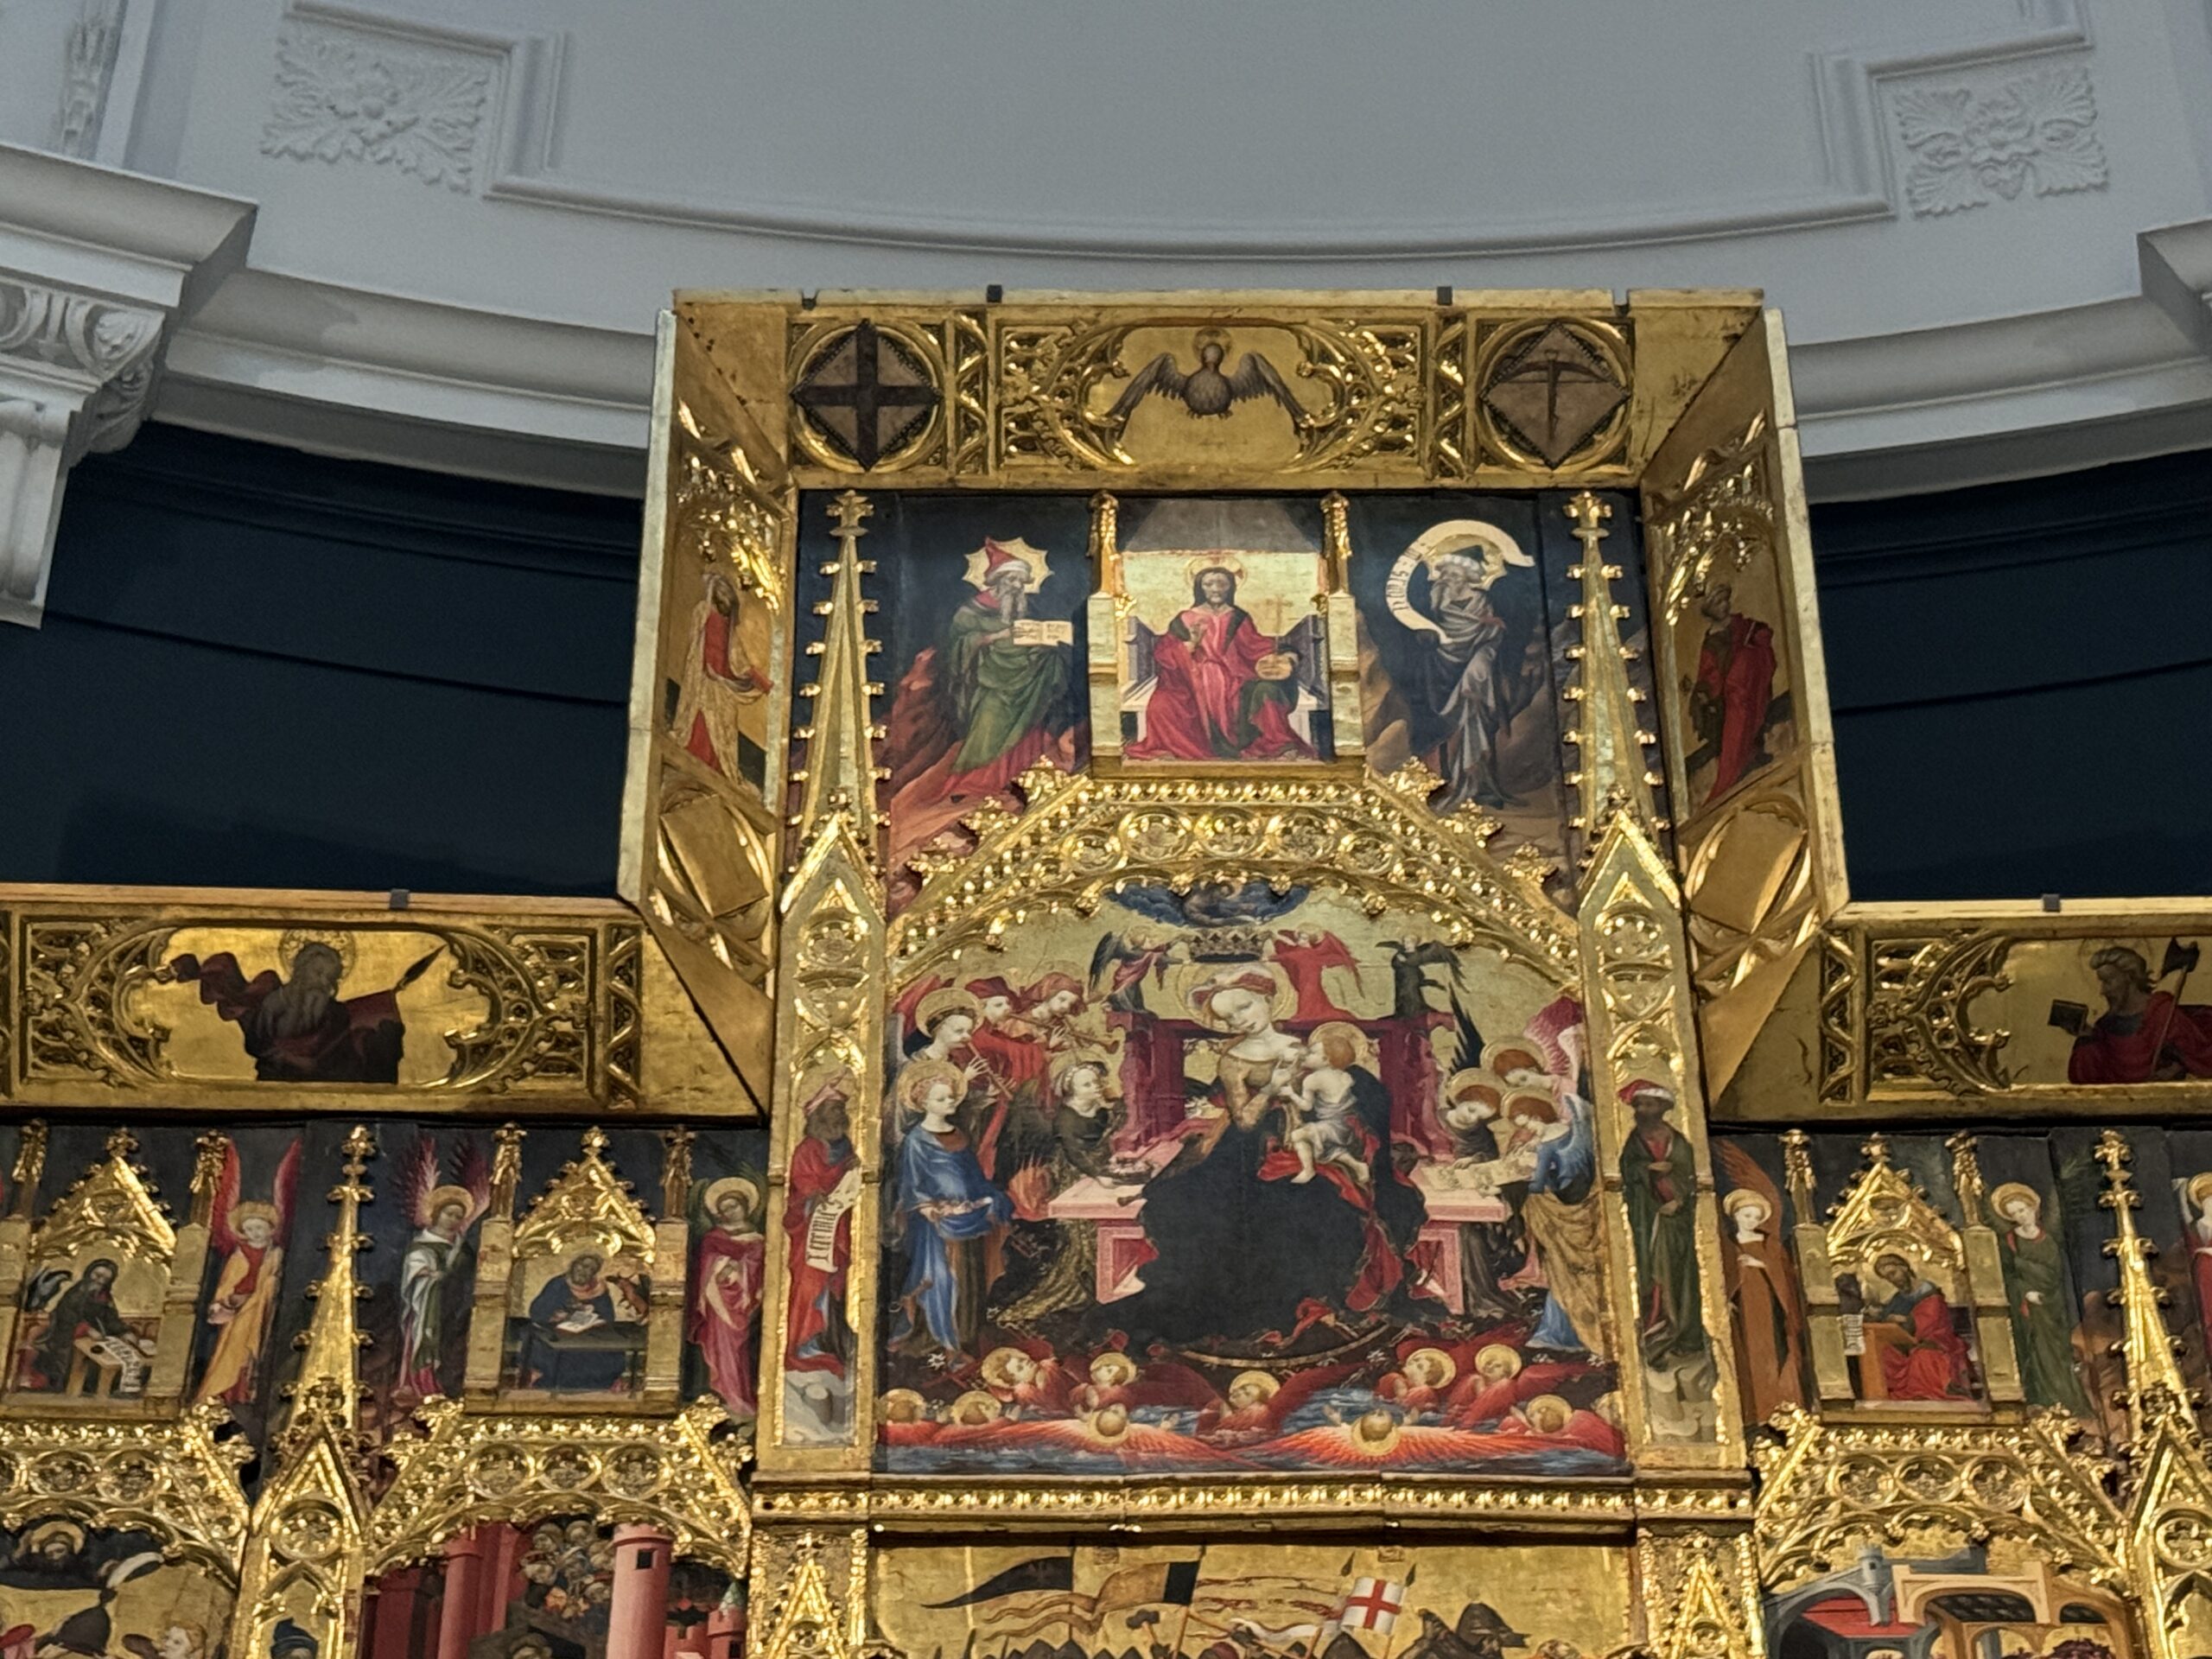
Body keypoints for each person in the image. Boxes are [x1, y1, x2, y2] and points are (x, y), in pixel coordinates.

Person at [882, 537, 1075, 868]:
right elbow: (960, 647)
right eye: (1012, 580)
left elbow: (1032, 638)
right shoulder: (970, 612)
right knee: (986, 732)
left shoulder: (1023, 609)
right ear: (998, 581)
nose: (1017, 587)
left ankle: (1011, 783)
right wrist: (998, 638)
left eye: (1021, 581)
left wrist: (1046, 646)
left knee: (1027, 736)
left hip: (1027, 689)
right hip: (988, 689)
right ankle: (973, 784)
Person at [164, 938, 440, 1084]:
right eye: (317, 973)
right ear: (300, 970)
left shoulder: (334, 1012)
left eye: (329, 977)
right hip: (277, 1080)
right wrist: (293, 1060)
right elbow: (258, 1043)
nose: (322, 982)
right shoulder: (275, 1002)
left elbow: (341, 1048)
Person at [1126, 564, 1313, 761]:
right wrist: (1190, 644)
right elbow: (1164, 653)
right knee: (1161, 704)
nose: (1215, 589)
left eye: (1222, 584)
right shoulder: (1184, 619)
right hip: (1190, 678)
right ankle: (1171, 747)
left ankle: (1277, 745)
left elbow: (1256, 646)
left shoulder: (1238, 618)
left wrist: (1288, 655)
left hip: (1235, 678)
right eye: (1209, 584)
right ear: (1200, 588)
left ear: (1231, 588)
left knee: (1267, 691)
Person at [891, 1059, 1013, 1358]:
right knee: (943, 1279)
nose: (950, 1102)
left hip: (970, 1218)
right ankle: (941, 1338)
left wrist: (987, 1197)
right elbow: (911, 1184)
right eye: (942, 1098)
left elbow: (973, 1176)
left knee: (970, 1277)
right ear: (924, 1103)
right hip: (936, 1226)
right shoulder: (916, 1141)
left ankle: (967, 1334)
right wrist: (930, 1209)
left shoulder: (959, 1134)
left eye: (951, 1097)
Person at [1618, 1083, 1706, 1368]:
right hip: (1647, 1219)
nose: (1642, 1110)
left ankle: (1683, 1334)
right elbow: (1626, 1171)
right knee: (1651, 1273)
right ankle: (1656, 1334)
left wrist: (1678, 1200)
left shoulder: (1677, 1141)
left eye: (1649, 1105)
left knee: (1680, 1276)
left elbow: (1691, 1176)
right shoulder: (1634, 1141)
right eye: (1639, 1105)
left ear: (1663, 1108)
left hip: (1677, 1221)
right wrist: (1646, 1169)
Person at [1520, 1082, 1608, 1360]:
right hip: (1585, 1207)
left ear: (1537, 1117)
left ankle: (1559, 1333)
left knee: (1561, 1269)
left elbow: (1537, 1186)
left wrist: (1524, 1176)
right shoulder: (1574, 1133)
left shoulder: (1546, 1146)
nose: (1529, 1131)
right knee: (1582, 1272)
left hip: (1562, 1213)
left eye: (1528, 1124)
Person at [1988, 1183, 2090, 1416]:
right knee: (2033, 1354)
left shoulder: (2048, 1241)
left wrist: (2040, 1290)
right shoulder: (2009, 1242)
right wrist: (2024, 1291)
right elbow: (2006, 1276)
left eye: (2022, 1210)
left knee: (2055, 1354)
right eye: (2014, 1214)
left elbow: (2054, 1277)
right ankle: (2040, 1401)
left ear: (2033, 1208)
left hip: (2050, 1308)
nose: (2020, 1216)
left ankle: (2066, 1402)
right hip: (2025, 1309)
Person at [784, 1080, 860, 1386]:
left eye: (841, 1109)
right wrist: (838, 1176)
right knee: (810, 1284)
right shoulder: (808, 1148)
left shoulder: (846, 1147)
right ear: (817, 1115)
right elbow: (805, 1185)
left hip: (837, 1228)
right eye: (832, 1109)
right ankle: (804, 1341)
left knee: (836, 1284)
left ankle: (831, 1339)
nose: (839, 1115)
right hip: (809, 1233)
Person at [671, 569, 771, 781]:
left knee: (725, 722)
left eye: (728, 597)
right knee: (701, 717)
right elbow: (698, 634)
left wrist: (761, 681)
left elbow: (739, 661)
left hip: (722, 685)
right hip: (703, 680)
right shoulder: (704, 611)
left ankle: (719, 766)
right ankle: (697, 756)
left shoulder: (728, 629)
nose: (725, 600)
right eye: (722, 594)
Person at [1718, 1185, 1805, 1421]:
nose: (1752, 1221)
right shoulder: (1726, 1244)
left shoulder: (1770, 1244)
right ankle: (1754, 1412)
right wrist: (1725, 1300)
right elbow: (1720, 1275)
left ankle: (1779, 1407)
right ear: (1736, 1215)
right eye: (1747, 1215)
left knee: (1773, 1354)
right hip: (1743, 1309)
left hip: (1769, 1307)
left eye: (1756, 1218)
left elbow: (1785, 1275)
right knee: (1746, 1358)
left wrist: (1761, 1264)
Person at [1687, 581, 1777, 802]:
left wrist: (1752, 651)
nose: (1724, 606)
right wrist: (1703, 691)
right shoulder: (1711, 642)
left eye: (1725, 601)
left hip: (1749, 685)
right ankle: (1733, 771)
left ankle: (1752, 755)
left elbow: (1761, 634)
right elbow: (1709, 673)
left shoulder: (1743, 625)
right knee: (1734, 726)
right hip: (1729, 697)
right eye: (1718, 603)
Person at [2066, 945, 2212, 1084]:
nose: (2103, 991)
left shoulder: (2161, 1014)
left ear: (2129, 977)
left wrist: (2175, 1069)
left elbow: (2198, 1056)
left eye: (2108, 982)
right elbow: (2090, 1082)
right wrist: (2086, 1038)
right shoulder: (2104, 1026)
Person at [690, 1176, 766, 1418]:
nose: (730, 1212)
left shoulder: (759, 1238)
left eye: (734, 1206)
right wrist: (725, 1266)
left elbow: (761, 1267)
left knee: (745, 1352)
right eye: (724, 1209)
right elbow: (707, 1267)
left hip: (749, 1303)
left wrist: (742, 1268)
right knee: (722, 1350)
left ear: (745, 1206)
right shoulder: (714, 1238)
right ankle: (725, 1395)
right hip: (719, 1304)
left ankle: (743, 1397)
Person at [519, 1253, 642, 1392]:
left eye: (590, 1269)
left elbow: (608, 1316)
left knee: (606, 1350)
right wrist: (556, 1315)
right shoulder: (558, 1284)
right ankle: (558, 1386)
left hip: (587, 1334)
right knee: (559, 1352)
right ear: (573, 1265)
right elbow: (537, 1311)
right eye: (582, 1266)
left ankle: (598, 1384)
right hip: (555, 1333)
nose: (584, 1271)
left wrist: (595, 1318)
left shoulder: (599, 1289)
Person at [397, 1185, 476, 1400]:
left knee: (449, 1342)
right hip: (427, 1303)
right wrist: (430, 1274)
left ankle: (443, 1383)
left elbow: (469, 1272)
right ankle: (422, 1384)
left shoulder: (462, 1247)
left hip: (453, 1303)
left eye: (458, 1217)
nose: (453, 1220)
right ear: (436, 1213)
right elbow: (414, 1266)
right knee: (426, 1338)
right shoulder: (422, 1242)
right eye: (449, 1214)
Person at [29, 1259, 151, 1395]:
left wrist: (125, 1332)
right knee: (86, 1362)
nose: (100, 1281)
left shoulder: (104, 1297)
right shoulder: (74, 1294)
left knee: (119, 1358)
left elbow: (111, 1319)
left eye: (105, 1279)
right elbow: (65, 1318)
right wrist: (86, 1329)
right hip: (67, 1339)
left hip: (97, 1339)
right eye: (97, 1275)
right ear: (89, 1273)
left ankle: (116, 1390)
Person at [1864, 1252, 1974, 1401]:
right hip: (1907, 1341)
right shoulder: (1898, 1297)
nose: (1893, 1280)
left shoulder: (1928, 1292)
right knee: (1885, 1353)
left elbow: (1931, 1320)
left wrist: (1904, 1320)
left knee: (1922, 1356)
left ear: (1904, 1267)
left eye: (1893, 1273)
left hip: (1937, 1340)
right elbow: (1886, 1318)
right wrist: (1879, 1315)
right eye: (1888, 1278)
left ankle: (1924, 1393)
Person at [1287, 1027, 1370, 1185]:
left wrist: (1290, 1094)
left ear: (1326, 1060)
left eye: (1311, 1053)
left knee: (1297, 1135)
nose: (1306, 1056)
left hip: (1332, 1125)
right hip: (1348, 1127)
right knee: (1329, 1146)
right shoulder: (1346, 1075)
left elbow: (1306, 1107)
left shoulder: (1313, 1079)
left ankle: (1308, 1170)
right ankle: (1358, 1166)